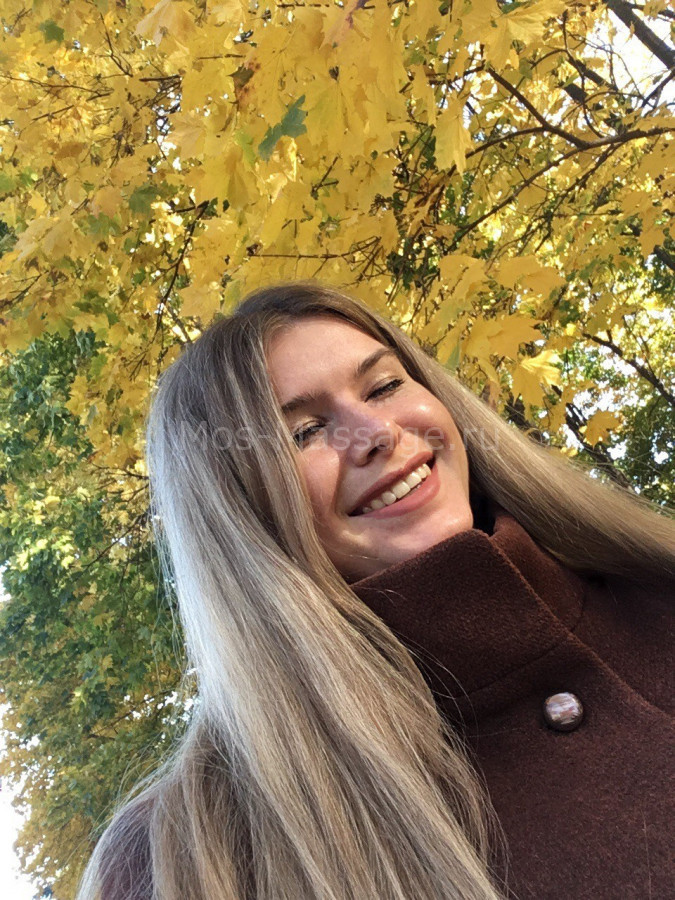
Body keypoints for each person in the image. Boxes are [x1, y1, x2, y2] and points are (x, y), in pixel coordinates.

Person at [78, 282, 674, 900]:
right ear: (238, 518)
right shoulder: (187, 860)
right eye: (304, 432)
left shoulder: (655, 589)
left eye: (385, 386)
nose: (376, 431)